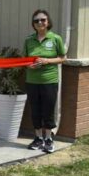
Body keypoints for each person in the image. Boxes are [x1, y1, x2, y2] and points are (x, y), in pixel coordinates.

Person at [24, 9, 66, 153]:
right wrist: (29, 65)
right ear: (33, 24)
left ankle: (48, 139)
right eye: (36, 20)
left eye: (43, 20)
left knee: (48, 110)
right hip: (32, 81)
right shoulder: (29, 40)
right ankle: (38, 138)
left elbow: (63, 57)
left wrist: (47, 61)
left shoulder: (55, 38)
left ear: (48, 22)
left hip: (49, 81)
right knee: (35, 110)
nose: (40, 23)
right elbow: (24, 60)